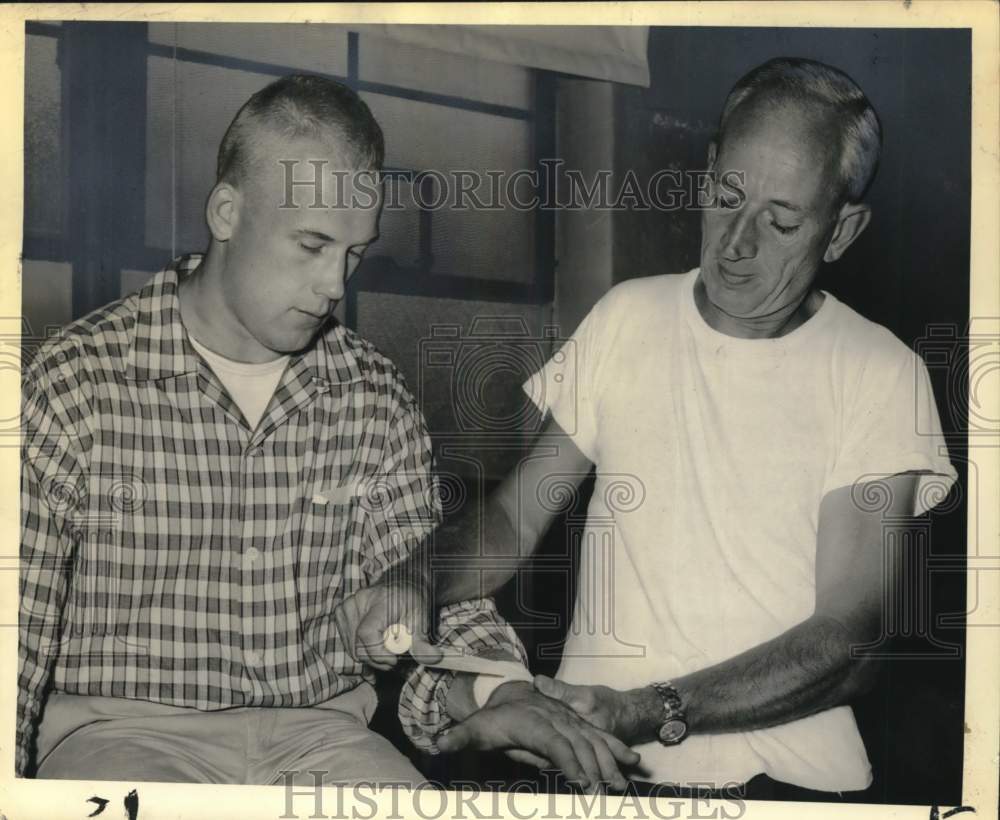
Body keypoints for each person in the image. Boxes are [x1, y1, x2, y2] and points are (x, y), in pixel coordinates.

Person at [341, 57, 958, 798]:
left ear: (841, 230)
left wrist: (648, 709)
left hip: (784, 785)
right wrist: (418, 574)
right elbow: (511, 518)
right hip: (595, 768)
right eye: (727, 196)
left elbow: (848, 640)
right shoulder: (629, 316)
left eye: (782, 221)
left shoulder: (879, 372)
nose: (737, 242)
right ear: (706, 172)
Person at [17, 73, 639, 789]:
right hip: (117, 737)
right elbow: (16, 640)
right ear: (226, 212)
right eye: (311, 244)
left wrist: (501, 692)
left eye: (353, 253)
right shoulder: (76, 381)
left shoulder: (373, 394)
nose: (335, 285)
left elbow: (419, 592)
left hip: (321, 739)